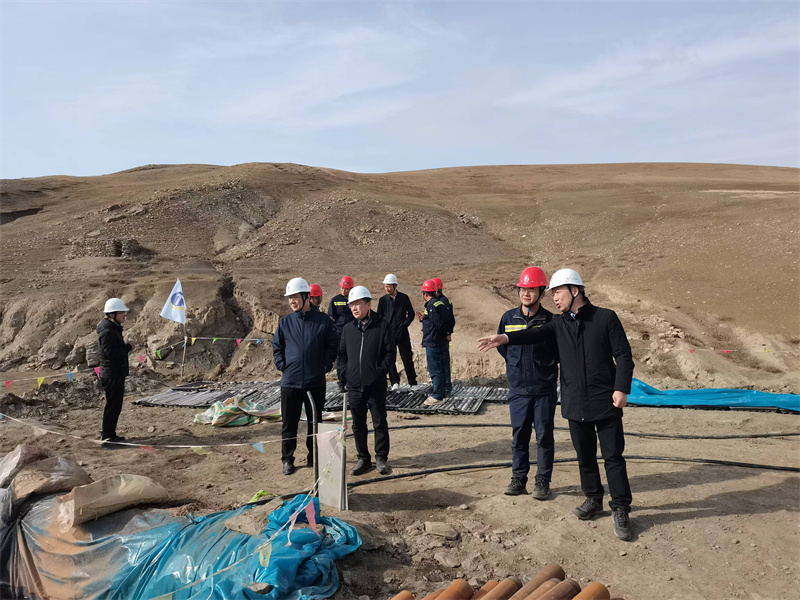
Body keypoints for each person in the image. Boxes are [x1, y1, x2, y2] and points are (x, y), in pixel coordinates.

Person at [477, 268, 635, 541]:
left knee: (613, 457)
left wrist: (621, 388)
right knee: (585, 456)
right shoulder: (559, 324)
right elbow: (533, 334)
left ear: (575, 290)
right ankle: (593, 498)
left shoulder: (605, 318)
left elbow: (623, 355)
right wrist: (505, 338)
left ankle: (620, 508)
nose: (555, 298)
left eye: (558, 292)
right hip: (575, 402)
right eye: (552, 294)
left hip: (605, 400)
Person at [496, 267, 559, 499]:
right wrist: (516, 366)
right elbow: (503, 347)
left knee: (544, 437)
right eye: (523, 289)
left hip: (544, 389)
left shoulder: (551, 321)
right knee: (519, 436)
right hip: (519, 389)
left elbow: (559, 352)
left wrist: (543, 367)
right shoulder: (508, 318)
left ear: (542, 292)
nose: (526, 293)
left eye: (531, 289)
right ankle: (518, 479)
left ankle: (542, 481)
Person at [273, 277, 338, 476]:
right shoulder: (285, 322)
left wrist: (325, 365)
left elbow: (332, 345)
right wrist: (283, 365)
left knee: (314, 422)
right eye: (289, 297)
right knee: (289, 424)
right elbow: (277, 346)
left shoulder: (323, 321)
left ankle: (314, 456)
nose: (292, 301)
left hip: (315, 382)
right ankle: (287, 459)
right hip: (290, 383)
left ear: (306, 297)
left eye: (295, 297)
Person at [339, 286, 396, 476]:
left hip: (375, 385)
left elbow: (390, 353)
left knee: (379, 422)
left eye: (357, 304)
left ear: (368, 305)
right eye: (351, 305)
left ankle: (381, 458)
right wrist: (344, 375)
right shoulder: (348, 329)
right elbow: (342, 355)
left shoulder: (382, 326)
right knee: (358, 424)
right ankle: (363, 458)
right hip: (354, 386)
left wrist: (379, 372)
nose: (354, 308)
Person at [97, 298, 133, 445]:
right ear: (112, 315)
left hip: (115, 373)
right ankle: (107, 437)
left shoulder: (113, 328)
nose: (124, 315)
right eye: (121, 313)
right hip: (112, 374)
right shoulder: (108, 331)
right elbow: (111, 353)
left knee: (115, 406)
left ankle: (111, 434)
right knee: (112, 406)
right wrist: (128, 347)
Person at [377, 274, 417, 390]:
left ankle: (412, 381)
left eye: (389, 286)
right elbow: (379, 316)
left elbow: (411, 314)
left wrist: (404, 325)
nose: (387, 289)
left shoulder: (404, 298)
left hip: (402, 333)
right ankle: (394, 381)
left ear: (395, 286)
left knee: (407, 358)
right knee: (390, 358)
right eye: (385, 286)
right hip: (389, 334)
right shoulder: (383, 300)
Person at [417, 280, 451, 406]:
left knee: (435, 370)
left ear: (425, 293)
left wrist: (442, 334)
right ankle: (442, 392)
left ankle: (438, 396)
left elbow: (437, 324)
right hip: (439, 341)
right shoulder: (440, 303)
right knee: (441, 368)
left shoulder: (431, 305)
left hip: (433, 342)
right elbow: (443, 321)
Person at [328, 276, 355, 392]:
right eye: (342, 288)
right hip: (340, 334)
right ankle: (341, 382)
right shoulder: (335, 300)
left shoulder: (354, 299)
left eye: (346, 289)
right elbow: (331, 318)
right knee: (341, 358)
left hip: (353, 334)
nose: (343, 290)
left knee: (352, 358)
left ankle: (351, 381)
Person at [432, 277, 455, 396]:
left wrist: (446, 333)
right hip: (441, 336)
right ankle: (446, 385)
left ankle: (445, 387)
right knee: (443, 361)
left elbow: (445, 321)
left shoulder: (440, 303)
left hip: (440, 337)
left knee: (441, 362)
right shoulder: (446, 302)